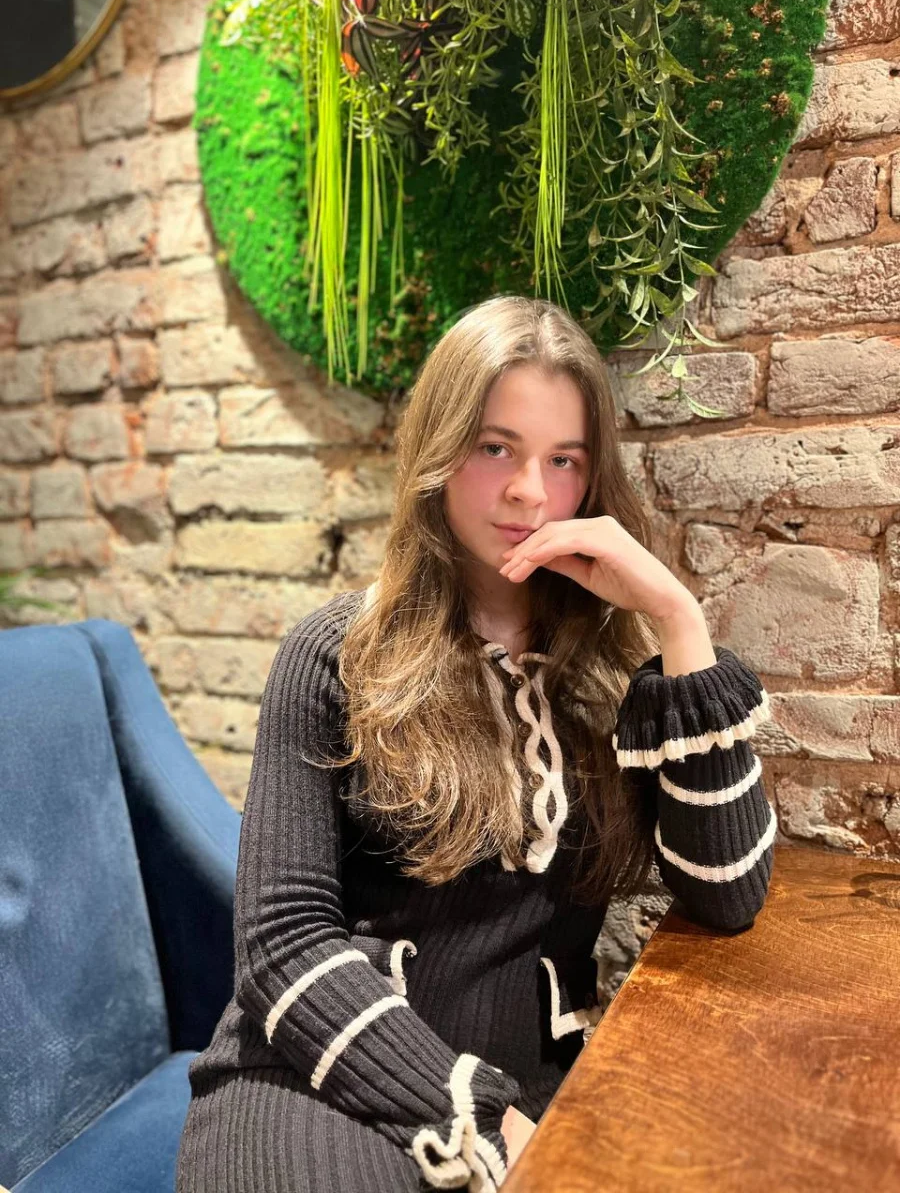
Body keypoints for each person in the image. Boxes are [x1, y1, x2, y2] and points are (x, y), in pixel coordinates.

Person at [175, 295, 776, 1192]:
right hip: (318, 1073)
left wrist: (678, 621)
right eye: (496, 447)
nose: (530, 490)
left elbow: (728, 899)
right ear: (440, 447)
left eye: (563, 460)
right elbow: (281, 945)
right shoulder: (335, 655)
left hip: (534, 1078)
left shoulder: (614, 674)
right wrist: (480, 1117)